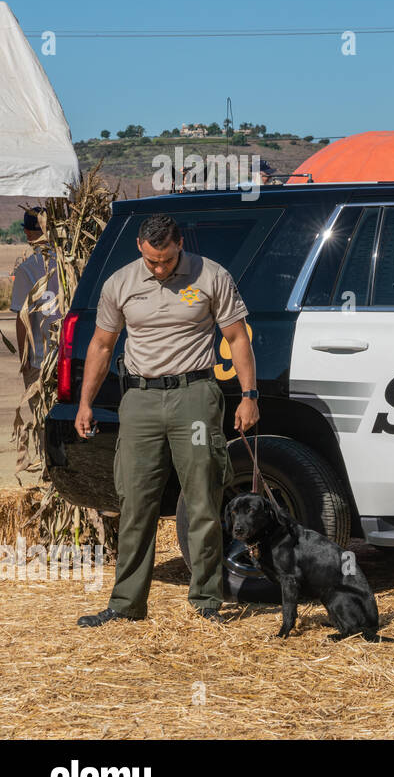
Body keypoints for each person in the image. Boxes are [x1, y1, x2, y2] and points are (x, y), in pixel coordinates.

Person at [75, 214, 260, 627]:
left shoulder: (211, 275)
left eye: (167, 260)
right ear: (140, 246)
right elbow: (103, 345)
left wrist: (249, 396)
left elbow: (237, 337)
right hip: (139, 400)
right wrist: (85, 402)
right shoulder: (120, 283)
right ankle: (125, 605)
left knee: (203, 500)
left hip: (194, 397)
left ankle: (207, 601)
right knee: (135, 502)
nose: (159, 269)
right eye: (151, 261)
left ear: (180, 244)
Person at [12, 207, 60, 390]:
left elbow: (23, 320)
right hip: (70, 358)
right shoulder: (71, 262)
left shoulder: (27, 269)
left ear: (27, 232)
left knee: (42, 416)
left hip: (41, 361)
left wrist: (25, 360)